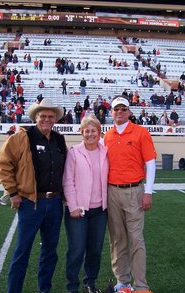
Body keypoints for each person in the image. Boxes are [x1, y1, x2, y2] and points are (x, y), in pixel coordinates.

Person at [0, 98, 66, 293]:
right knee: (22, 252)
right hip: (30, 203)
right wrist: (12, 193)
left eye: (50, 117)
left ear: (55, 119)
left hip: (54, 204)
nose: (46, 119)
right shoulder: (22, 137)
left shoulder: (59, 139)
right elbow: (3, 164)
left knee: (50, 252)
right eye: (42, 116)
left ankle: (44, 289)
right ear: (36, 117)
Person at [104, 96, 156, 293]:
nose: (119, 112)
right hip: (111, 191)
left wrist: (148, 192)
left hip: (134, 190)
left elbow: (150, 163)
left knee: (135, 238)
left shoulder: (141, 132)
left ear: (129, 111)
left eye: (123, 109)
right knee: (117, 239)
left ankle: (141, 285)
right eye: (116, 109)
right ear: (111, 112)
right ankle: (123, 281)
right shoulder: (107, 136)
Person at [63, 115, 109, 293]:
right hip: (77, 211)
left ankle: (90, 283)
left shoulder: (105, 151)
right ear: (81, 132)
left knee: (95, 250)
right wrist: (73, 207)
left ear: (99, 132)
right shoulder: (74, 152)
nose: (90, 134)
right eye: (86, 131)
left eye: (93, 131)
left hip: (99, 211)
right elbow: (68, 181)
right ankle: (72, 287)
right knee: (76, 250)